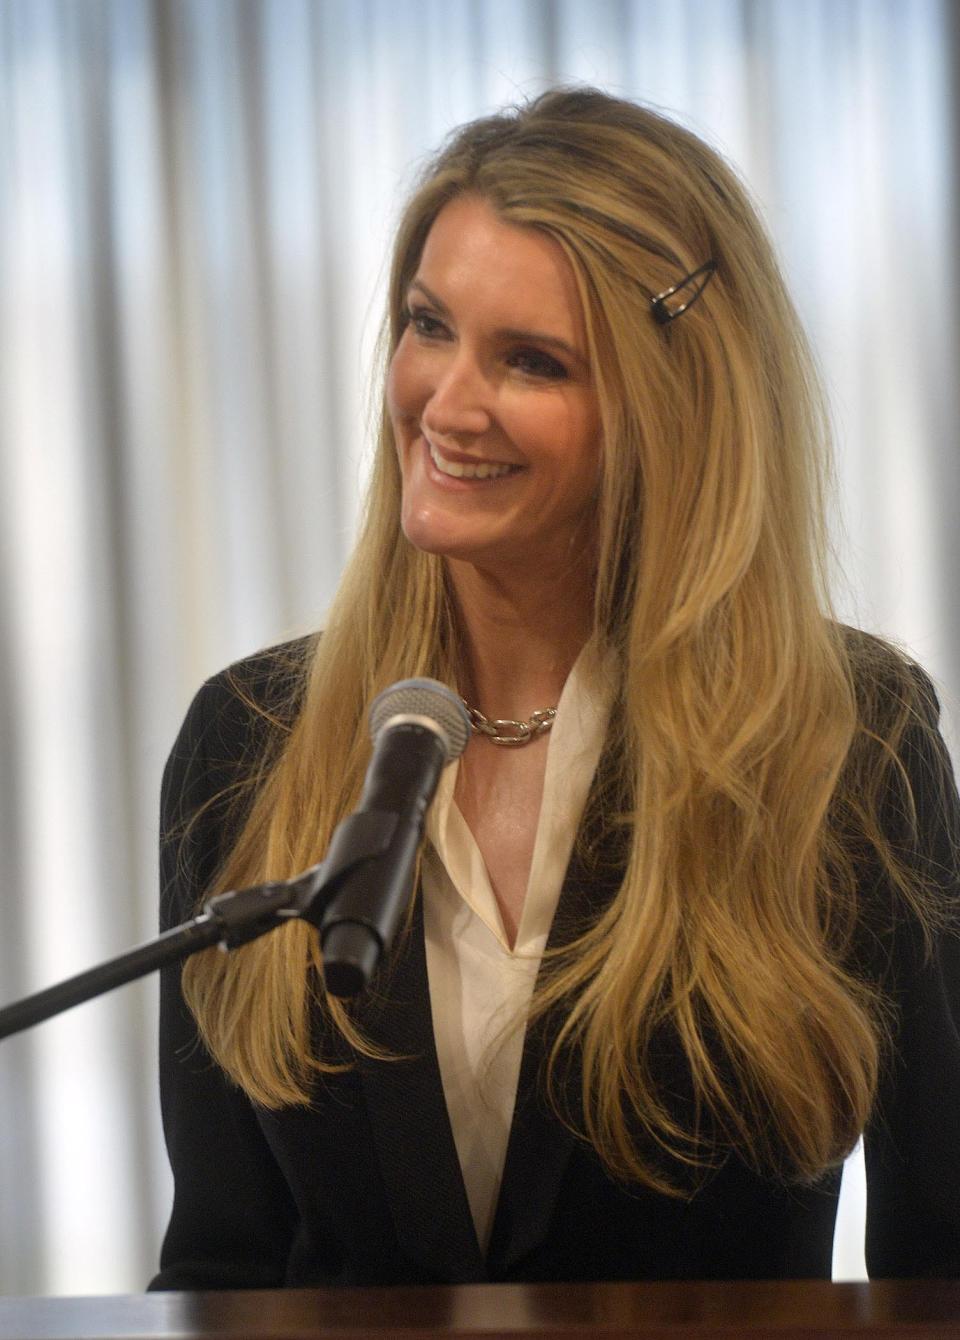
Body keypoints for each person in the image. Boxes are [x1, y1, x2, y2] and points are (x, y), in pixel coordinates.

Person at [151, 88, 960, 1289]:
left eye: (530, 361)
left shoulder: (848, 735)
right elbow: (219, 1270)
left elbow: (939, 1259)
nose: (446, 403)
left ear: (672, 413)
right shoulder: (247, 741)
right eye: (430, 327)